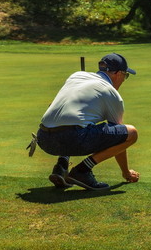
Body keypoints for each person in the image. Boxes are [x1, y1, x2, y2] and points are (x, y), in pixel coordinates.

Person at [36, 53, 140, 191]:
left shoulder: (76, 76)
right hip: (72, 138)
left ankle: (61, 166)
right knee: (131, 133)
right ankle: (82, 171)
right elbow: (120, 138)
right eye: (125, 75)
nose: (124, 79)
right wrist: (126, 173)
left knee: (75, 121)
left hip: (43, 139)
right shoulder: (112, 93)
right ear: (118, 73)